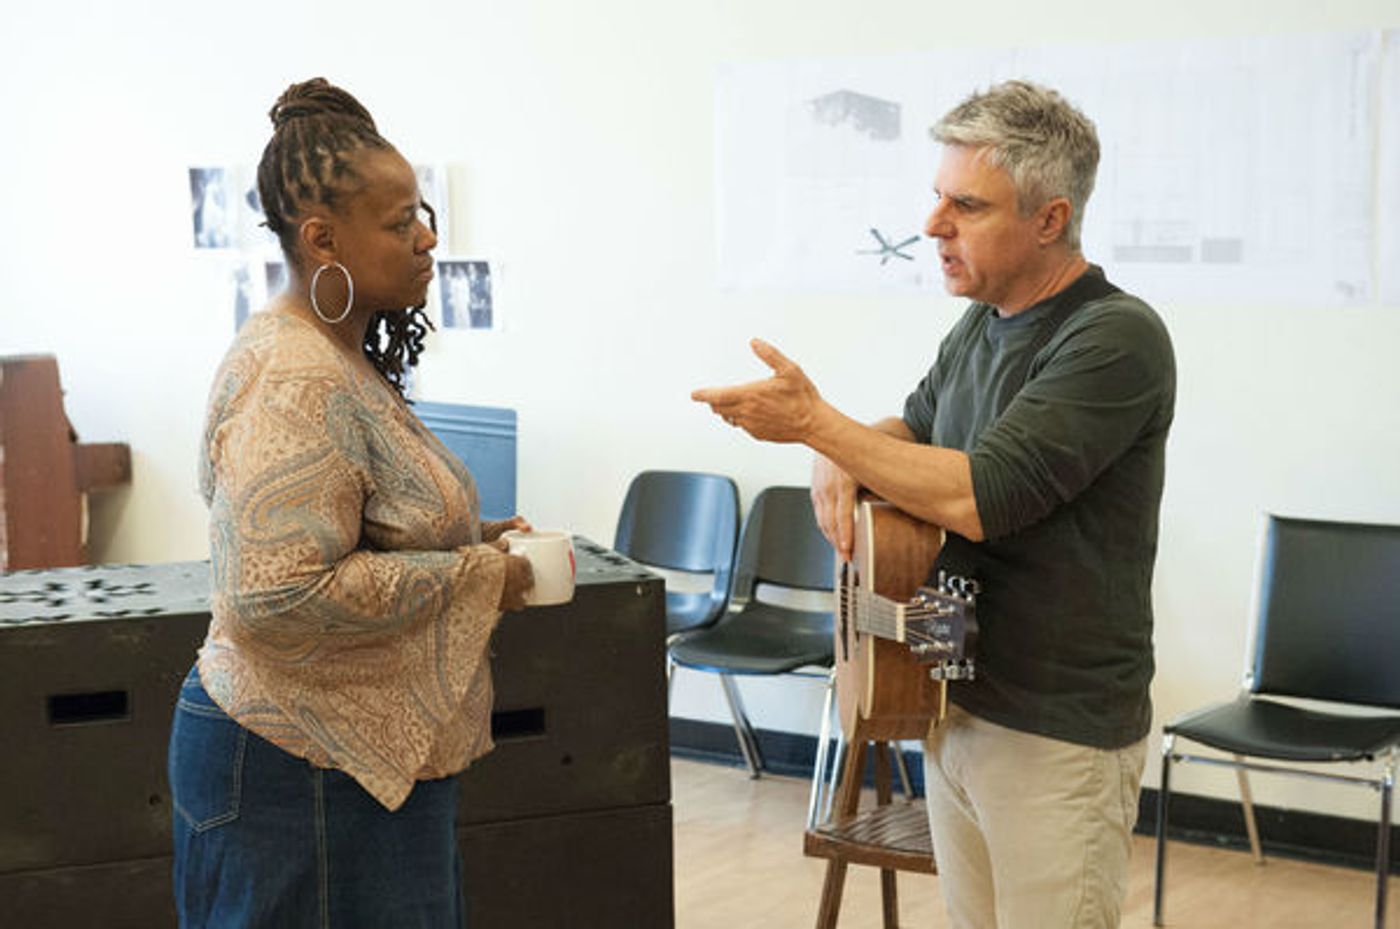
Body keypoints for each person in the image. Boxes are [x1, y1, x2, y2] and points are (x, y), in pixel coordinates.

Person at [693, 79, 1176, 928]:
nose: (932, 225)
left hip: (1054, 729)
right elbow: (911, 431)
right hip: (952, 695)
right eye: (937, 197)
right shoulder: (983, 322)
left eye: (967, 206)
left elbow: (980, 494)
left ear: (1050, 219)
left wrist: (818, 426)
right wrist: (833, 452)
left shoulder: (1115, 337)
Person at [169, 77, 535, 928]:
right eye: (402, 222)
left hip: (344, 770)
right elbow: (276, 592)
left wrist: (472, 539)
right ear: (322, 237)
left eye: (423, 214)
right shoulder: (295, 375)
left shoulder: (335, 354)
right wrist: (479, 575)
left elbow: (351, 525)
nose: (428, 238)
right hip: (296, 773)